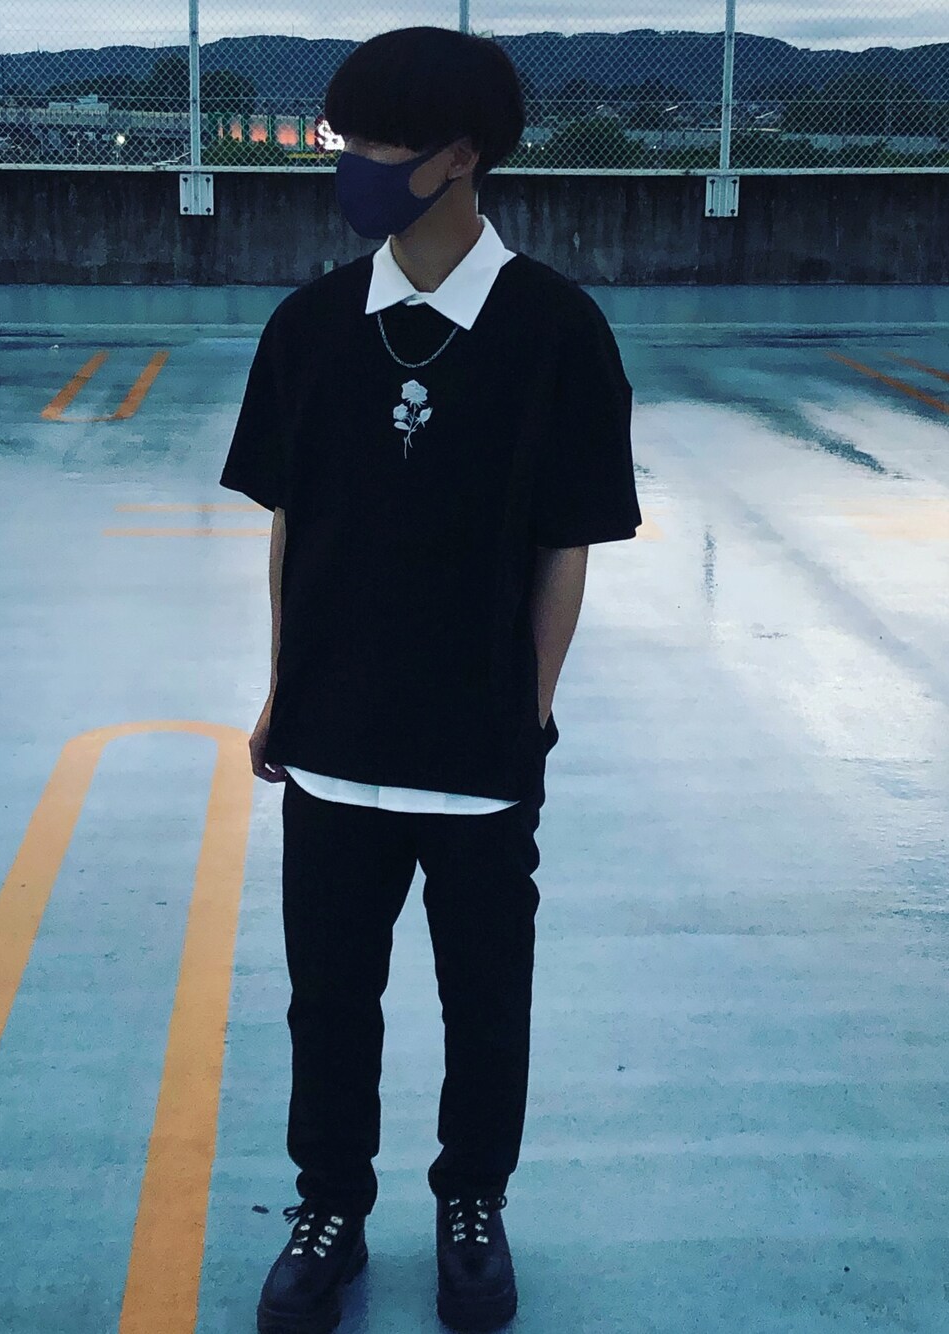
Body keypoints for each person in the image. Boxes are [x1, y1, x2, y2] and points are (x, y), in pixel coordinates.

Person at [218, 24, 642, 1334]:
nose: (348, 162)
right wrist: (282, 691)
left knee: (485, 1001)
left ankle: (471, 1203)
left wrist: (530, 706)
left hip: (477, 746)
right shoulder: (308, 329)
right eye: (343, 137)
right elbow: (291, 527)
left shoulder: (557, 330)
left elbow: (566, 546)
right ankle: (329, 1208)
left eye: (375, 142)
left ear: (460, 157)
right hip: (334, 741)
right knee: (330, 1001)